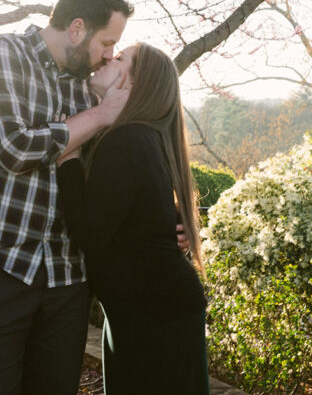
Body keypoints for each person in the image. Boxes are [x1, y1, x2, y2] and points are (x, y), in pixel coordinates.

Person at [0, 0, 134, 395]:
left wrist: (166, 222)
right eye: (107, 42)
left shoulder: (91, 87)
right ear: (77, 28)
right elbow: (15, 148)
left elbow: (115, 177)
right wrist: (101, 117)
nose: (110, 54)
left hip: (66, 277)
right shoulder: (1, 53)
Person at [57, 43, 209, 395]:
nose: (109, 57)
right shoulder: (138, 137)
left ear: (134, 84)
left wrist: (68, 157)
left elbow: (89, 232)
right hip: (145, 313)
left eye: (121, 58)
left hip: (155, 316)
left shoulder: (126, 139)